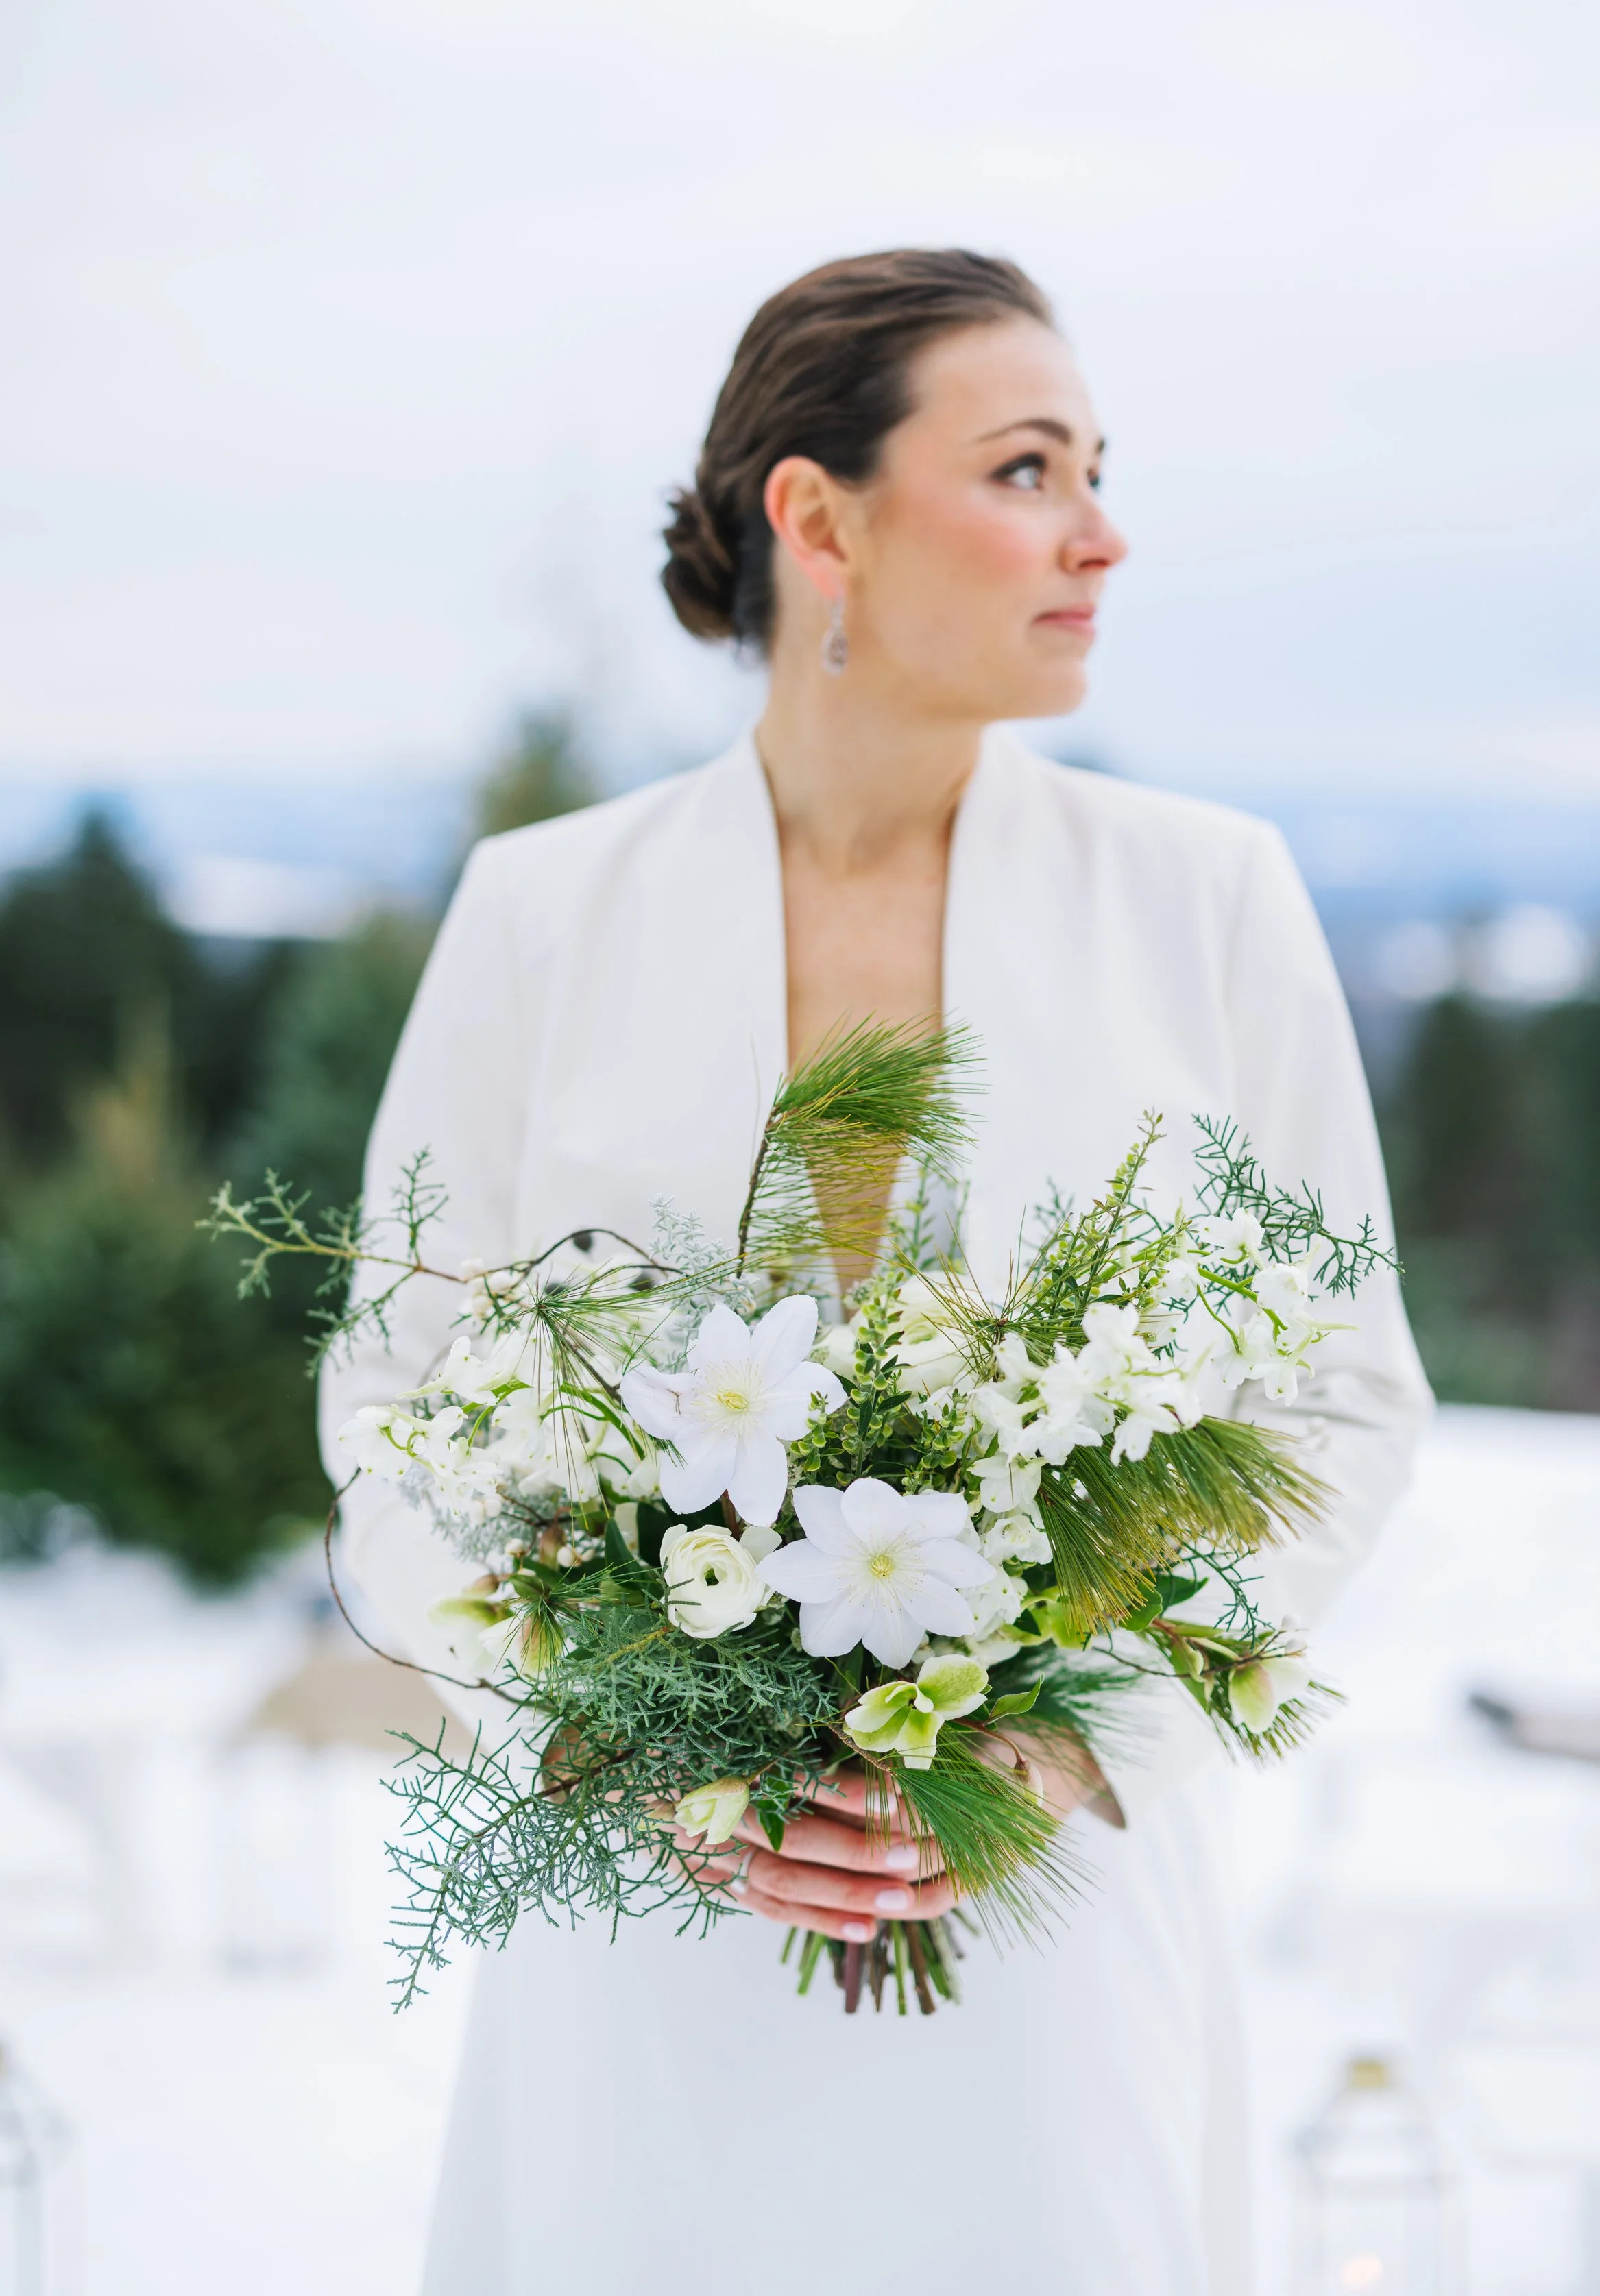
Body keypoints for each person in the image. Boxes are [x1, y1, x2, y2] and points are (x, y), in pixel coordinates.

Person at [319, 249, 1431, 2295]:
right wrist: (628, 1742)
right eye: (1025, 469)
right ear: (814, 516)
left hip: (1049, 1931)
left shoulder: (1212, 898)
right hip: (643, 1932)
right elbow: (397, 1407)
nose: (1100, 533)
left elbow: (1343, 1392)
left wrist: (1055, 1734)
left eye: (1097, 469)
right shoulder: (538, 914)